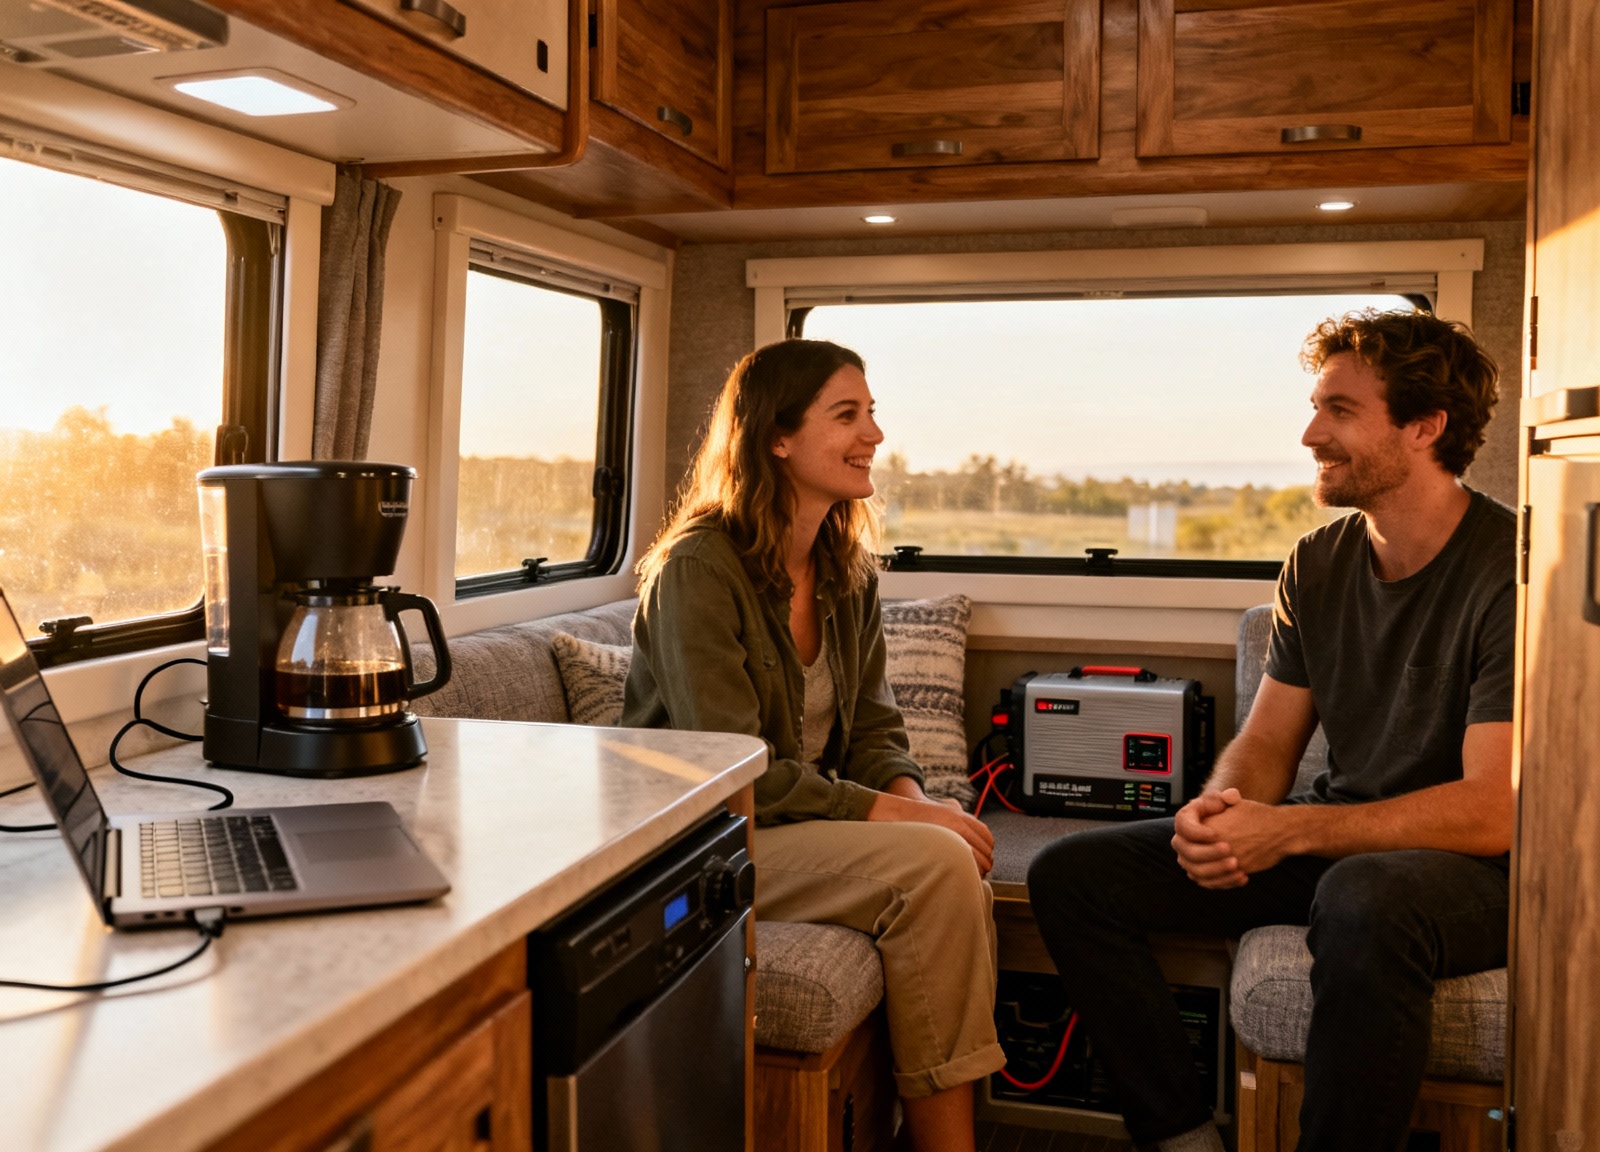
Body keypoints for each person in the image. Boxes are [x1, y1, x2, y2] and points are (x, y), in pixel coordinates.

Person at [1026, 309, 1514, 1152]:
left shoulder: (1510, 569)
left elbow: (1491, 810)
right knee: (1073, 875)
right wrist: (1221, 814)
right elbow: (1267, 742)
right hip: (1337, 841)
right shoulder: (1318, 564)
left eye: (1340, 411)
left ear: (1426, 426)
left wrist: (1287, 831)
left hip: (1471, 873)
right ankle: (1180, 1135)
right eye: (1316, 406)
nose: (1309, 432)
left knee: (1364, 897)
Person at [622, 339, 1005, 1152]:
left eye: (872, 414)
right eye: (848, 415)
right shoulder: (697, 570)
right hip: (701, 845)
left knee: (955, 855)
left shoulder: (847, 571)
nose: (874, 434)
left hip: (789, 829)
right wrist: (902, 824)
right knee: (936, 865)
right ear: (776, 439)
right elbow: (733, 769)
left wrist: (916, 803)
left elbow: (872, 730)